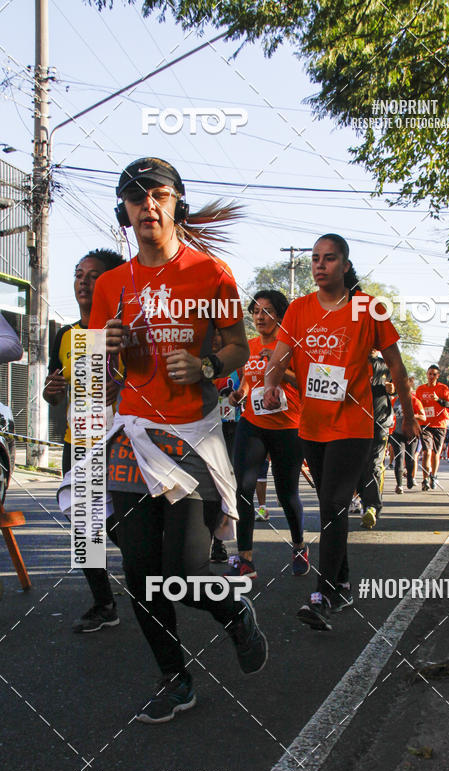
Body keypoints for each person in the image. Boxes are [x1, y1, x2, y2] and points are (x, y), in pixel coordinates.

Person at [88, 157, 267, 723]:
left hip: (190, 436)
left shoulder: (210, 274)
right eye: (136, 197)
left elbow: (238, 348)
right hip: (130, 438)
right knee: (141, 576)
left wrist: (207, 363)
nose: (147, 205)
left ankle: (234, 614)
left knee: (183, 573)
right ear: (125, 211)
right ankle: (175, 678)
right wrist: (104, 349)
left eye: (158, 194)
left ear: (176, 204)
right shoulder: (112, 285)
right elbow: (97, 377)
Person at [263, 233, 418, 630]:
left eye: (329, 259)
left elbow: (397, 367)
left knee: (332, 506)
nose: (319, 265)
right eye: (315, 258)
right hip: (311, 426)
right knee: (330, 507)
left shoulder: (369, 309)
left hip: (353, 424)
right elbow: (279, 357)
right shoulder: (298, 310)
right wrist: (271, 383)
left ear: (345, 266)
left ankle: (323, 596)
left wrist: (408, 413)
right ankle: (344, 584)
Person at [44, 249, 124, 632]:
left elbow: (150, 382)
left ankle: (151, 587)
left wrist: (121, 386)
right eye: (79, 274)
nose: (83, 282)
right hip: (78, 441)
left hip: (124, 444)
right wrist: (51, 390)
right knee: (84, 527)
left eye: (94, 276)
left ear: (111, 283)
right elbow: (54, 394)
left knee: (124, 526)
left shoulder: (126, 332)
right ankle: (104, 603)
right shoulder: (65, 335)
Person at [226, 290, 308, 578]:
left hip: (287, 427)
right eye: (256, 311)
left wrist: (279, 365)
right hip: (253, 424)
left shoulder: (291, 346)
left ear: (280, 316)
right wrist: (240, 394)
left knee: (287, 495)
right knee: (244, 489)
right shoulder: (246, 347)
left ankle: (299, 545)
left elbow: (307, 384)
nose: (261, 317)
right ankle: (245, 559)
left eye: (268, 311)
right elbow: (249, 380)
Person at [210, 329, 243, 563]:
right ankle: (208, 541)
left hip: (232, 428)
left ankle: (219, 543)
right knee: (207, 485)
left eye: (220, 333)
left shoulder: (238, 361)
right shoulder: (197, 358)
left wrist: (237, 395)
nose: (216, 338)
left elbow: (248, 388)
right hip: (204, 430)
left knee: (226, 483)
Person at [357, 349, 395, 528]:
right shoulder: (352, 362)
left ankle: (372, 507)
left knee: (373, 463)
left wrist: (393, 390)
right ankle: (365, 503)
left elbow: (400, 385)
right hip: (355, 421)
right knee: (357, 465)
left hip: (380, 421)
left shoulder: (386, 364)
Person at [415, 365, 449, 490]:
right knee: (426, 452)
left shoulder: (443, 388)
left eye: (434, 374)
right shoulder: (420, 389)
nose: (431, 376)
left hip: (439, 425)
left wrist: (438, 399)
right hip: (425, 425)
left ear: (438, 376)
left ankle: (433, 476)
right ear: (427, 374)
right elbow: (415, 405)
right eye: (430, 373)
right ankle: (425, 479)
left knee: (436, 453)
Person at [390, 377, 426, 493]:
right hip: (397, 433)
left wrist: (412, 416)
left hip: (411, 433)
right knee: (399, 458)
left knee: (410, 458)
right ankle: (399, 484)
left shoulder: (415, 401)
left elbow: (423, 417)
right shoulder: (394, 401)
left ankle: (410, 477)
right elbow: (389, 414)